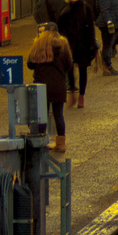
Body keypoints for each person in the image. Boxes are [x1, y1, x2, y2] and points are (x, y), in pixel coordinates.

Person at [27, 24, 74, 152]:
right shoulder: (63, 44)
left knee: (42, 115)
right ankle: (61, 144)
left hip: (41, 86)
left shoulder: (38, 44)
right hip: (58, 85)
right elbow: (69, 65)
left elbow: (30, 64)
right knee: (59, 114)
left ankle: (41, 143)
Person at [55, 0, 98, 110]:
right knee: (69, 70)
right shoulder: (65, 10)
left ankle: (81, 96)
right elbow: (60, 28)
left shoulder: (86, 8)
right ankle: (72, 92)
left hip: (83, 44)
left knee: (83, 70)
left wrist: (92, 44)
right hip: (69, 45)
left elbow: (91, 28)